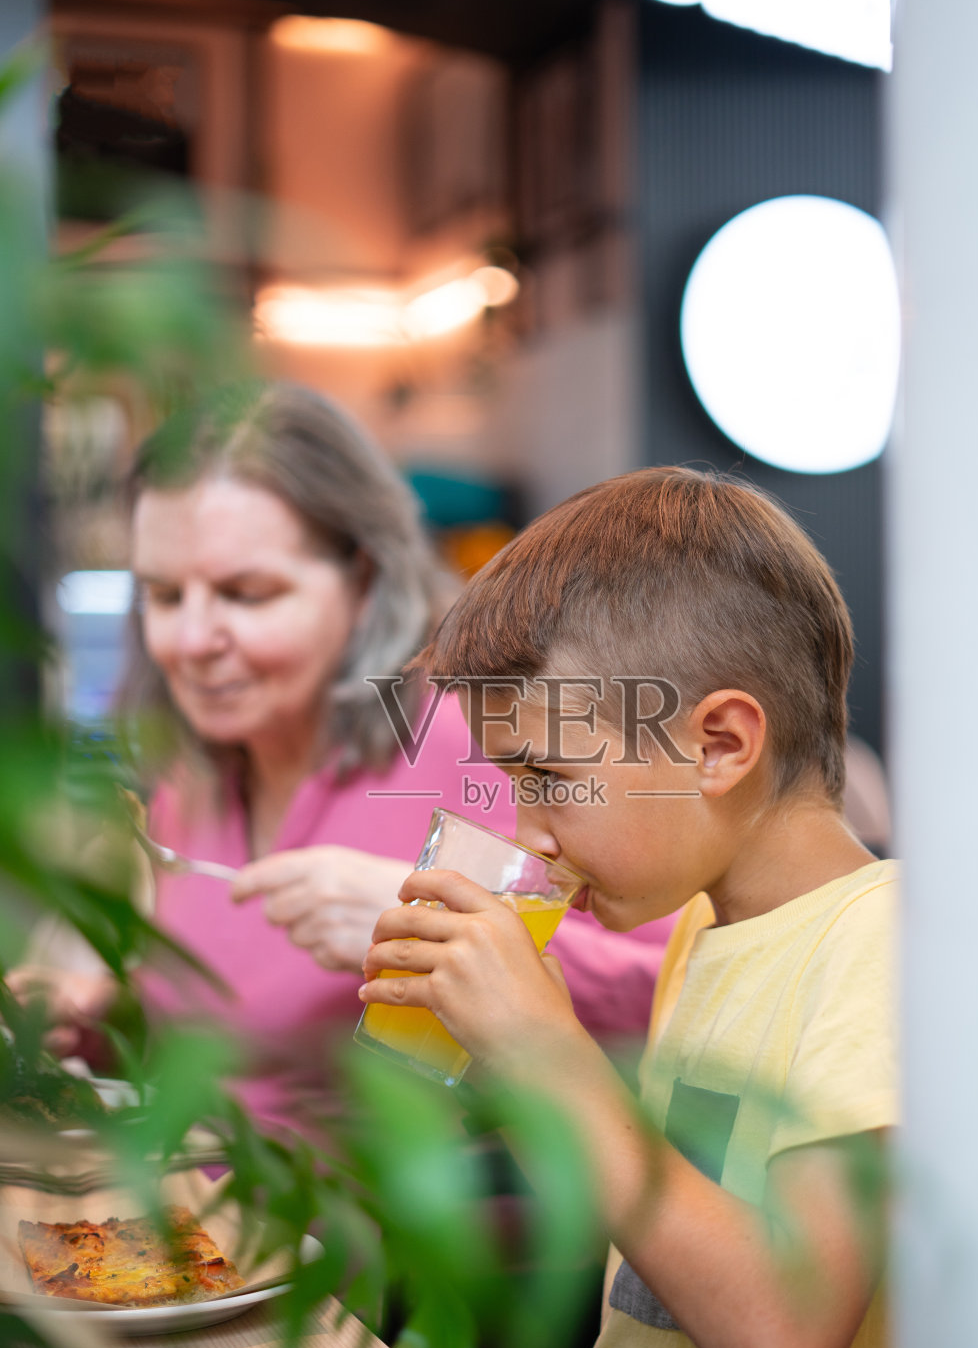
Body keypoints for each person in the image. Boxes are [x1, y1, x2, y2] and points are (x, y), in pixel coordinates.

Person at [362, 468, 898, 1348]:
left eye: (548, 779)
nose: (531, 830)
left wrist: (553, 1059)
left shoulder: (882, 947)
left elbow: (781, 1340)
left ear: (718, 744)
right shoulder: (707, 931)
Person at [10, 384, 671, 1128]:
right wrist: (107, 1024)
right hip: (211, 1225)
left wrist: (446, 944)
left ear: (363, 579)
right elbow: (248, 1036)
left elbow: (684, 1002)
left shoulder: (487, 744)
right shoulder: (198, 771)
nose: (190, 640)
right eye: (164, 596)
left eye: (246, 594)